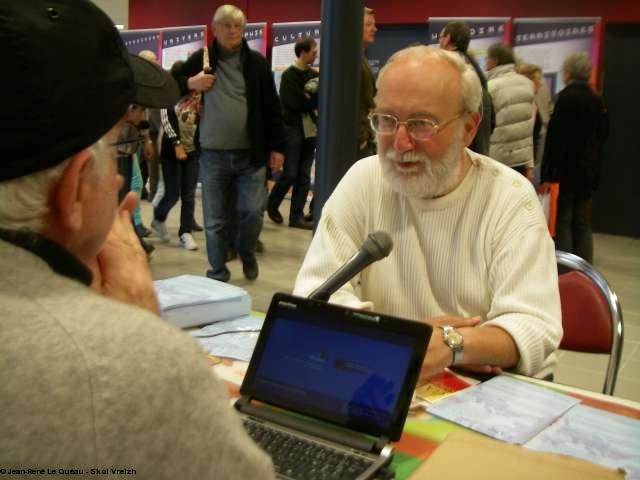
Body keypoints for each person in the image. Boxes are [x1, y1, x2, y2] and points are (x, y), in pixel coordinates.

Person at [0, 1, 275, 476]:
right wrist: (140, 336)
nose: (118, 183)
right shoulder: (129, 367)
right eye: (118, 145)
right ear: (76, 190)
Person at [294, 46, 562, 381]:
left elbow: (533, 324)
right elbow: (315, 293)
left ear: (469, 128)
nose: (400, 143)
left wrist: (452, 344)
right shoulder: (364, 180)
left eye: (422, 124)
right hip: (383, 371)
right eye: (387, 121)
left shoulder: (509, 198)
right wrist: (405, 340)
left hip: (485, 389)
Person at [173, 4, 286, 283]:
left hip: (251, 156)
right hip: (212, 156)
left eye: (237, 26)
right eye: (226, 25)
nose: (232, 30)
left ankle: (246, 251)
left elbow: (272, 107)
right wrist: (192, 82)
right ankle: (217, 272)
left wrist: (278, 147)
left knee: (251, 213)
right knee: (214, 221)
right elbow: (169, 85)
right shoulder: (201, 60)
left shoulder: (257, 63)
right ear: (215, 29)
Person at [541, 53, 608, 264]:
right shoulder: (597, 99)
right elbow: (604, 134)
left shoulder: (565, 98)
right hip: (588, 171)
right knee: (583, 220)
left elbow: (555, 139)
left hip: (568, 169)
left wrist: (548, 173)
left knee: (564, 219)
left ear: (568, 72)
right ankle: (585, 264)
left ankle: (566, 265)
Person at [267, 37, 319, 231]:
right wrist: (308, 97)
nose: (315, 55)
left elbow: (318, 100)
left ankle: (296, 217)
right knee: (289, 173)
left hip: (310, 131)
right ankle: (272, 204)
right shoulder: (289, 76)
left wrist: (308, 97)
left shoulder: (314, 74)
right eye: (313, 51)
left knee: (304, 176)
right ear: (303, 52)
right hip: (292, 129)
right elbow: (292, 104)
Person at [151, 62, 201, 251]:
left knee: (189, 195)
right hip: (171, 151)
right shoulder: (169, 94)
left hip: (193, 151)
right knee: (172, 194)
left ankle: (185, 232)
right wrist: (177, 144)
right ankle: (159, 217)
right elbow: (166, 118)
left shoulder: (198, 95)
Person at [439, 21, 495, 156]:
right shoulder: (476, 68)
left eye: (440, 37)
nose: (439, 41)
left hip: (458, 149)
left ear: (446, 40)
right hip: (478, 147)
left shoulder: (448, 67)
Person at [486, 43, 536, 180]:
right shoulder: (528, 84)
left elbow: (485, 126)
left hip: (496, 159)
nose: (485, 62)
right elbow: (530, 126)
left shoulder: (490, 87)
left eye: (487, 58)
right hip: (521, 160)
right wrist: (530, 165)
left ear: (495, 60)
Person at [357, 6, 378, 159]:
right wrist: (360, 136)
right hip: (357, 142)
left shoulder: (360, 58)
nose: (374, 29)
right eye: (369, 24)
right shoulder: (352, 60)